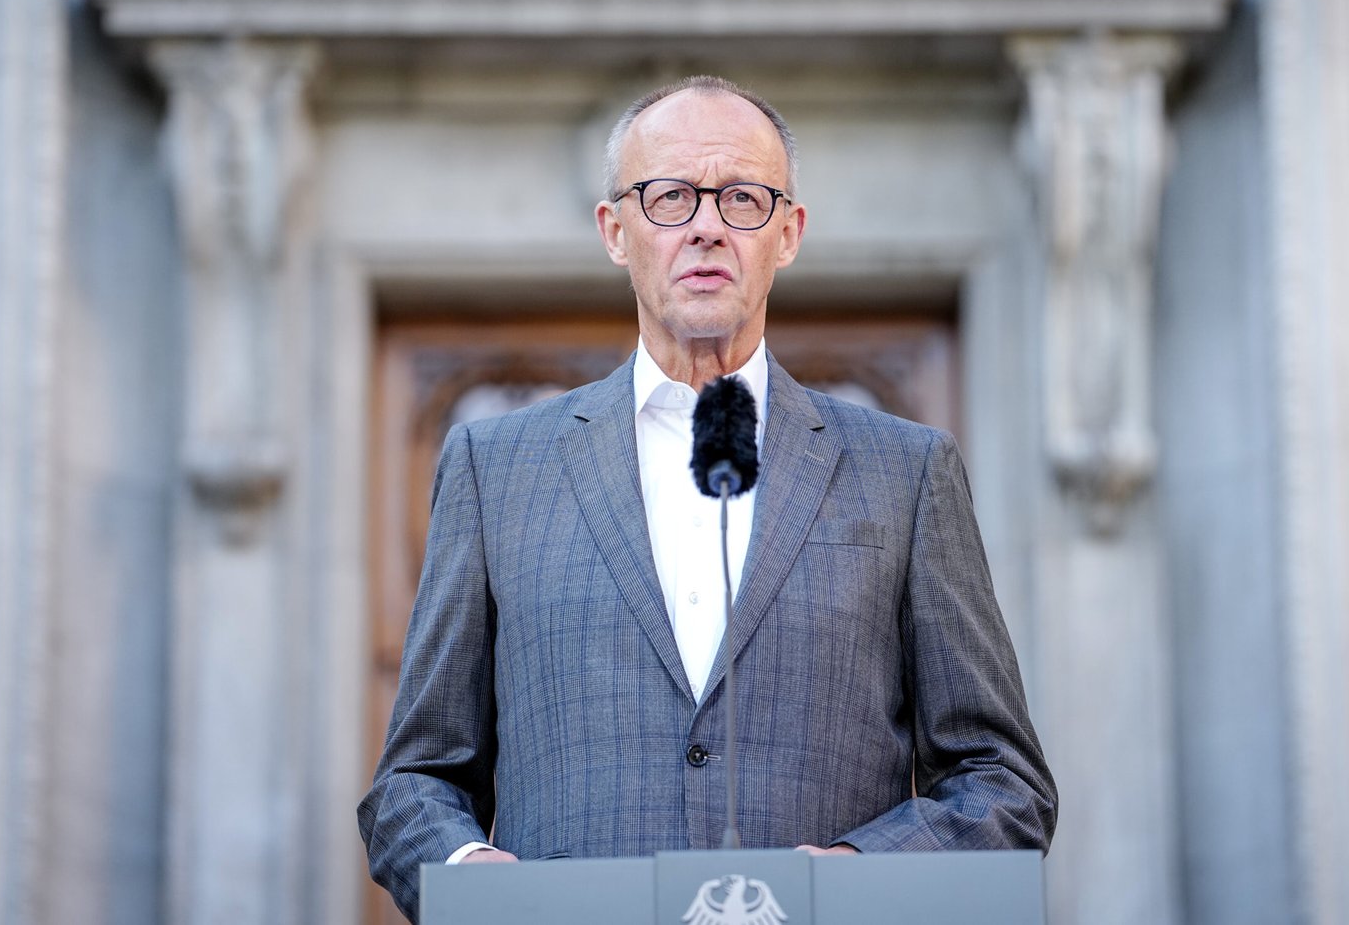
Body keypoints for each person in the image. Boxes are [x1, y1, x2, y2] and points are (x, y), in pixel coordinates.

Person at [358, 75, 1057, 921]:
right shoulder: (494, 467)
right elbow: (413, 783)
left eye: (742, 198)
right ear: (614, 230)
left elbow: (1002, 783)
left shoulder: (904, 470)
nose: (706, 226)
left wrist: (851, 874)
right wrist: (478, 878)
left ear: (788, 233)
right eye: (670, 197)